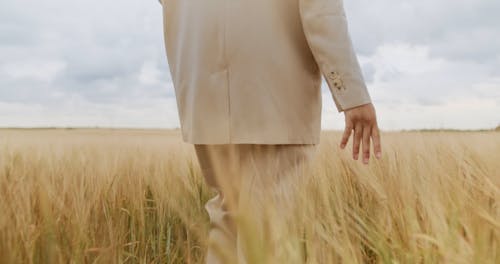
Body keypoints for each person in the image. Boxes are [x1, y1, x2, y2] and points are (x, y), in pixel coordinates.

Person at [158, 0, 382, 263]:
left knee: (228, 222)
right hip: (274, 89)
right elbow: (321, 10)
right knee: (268, 232)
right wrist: (351, 93)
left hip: (201, 81)